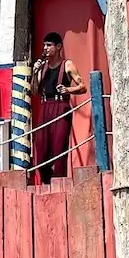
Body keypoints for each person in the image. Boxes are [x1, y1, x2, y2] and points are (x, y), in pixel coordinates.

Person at [30, 31, 85, 184]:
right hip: (45, 107)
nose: (45, 48)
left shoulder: (67, 64)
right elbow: (34, 91)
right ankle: (47, 182)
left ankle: (59, 183)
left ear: (58, 47)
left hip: (61, 107)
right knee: (41, 150)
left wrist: (69, 90)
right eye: (44, 45)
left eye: (49, 45)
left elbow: (83, 86)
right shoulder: (43, 67)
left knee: (59, 149)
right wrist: (34, 73)